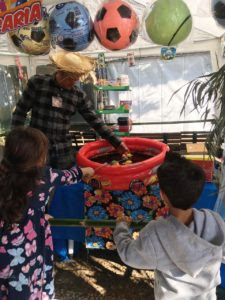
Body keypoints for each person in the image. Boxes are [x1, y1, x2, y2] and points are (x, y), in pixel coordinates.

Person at [113, 151, 225, 300]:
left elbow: (129, 255)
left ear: (162, 195)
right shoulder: (215, 220)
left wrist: (121, 226)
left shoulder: (156, 233)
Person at [0, 127, 94, 299]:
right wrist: (89, 170)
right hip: (28, 247)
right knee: (28, 282)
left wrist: (37, 216)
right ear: (38, 156)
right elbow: (72, 175)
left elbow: (16, 207)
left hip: (4, 248)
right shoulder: (45, 176)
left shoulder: (3, 175)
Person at [11, 51, 129, 169]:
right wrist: (16, 140)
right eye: (70, 79)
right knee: (38, 182)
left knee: (67, 182)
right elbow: (20, 111)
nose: (73, 83)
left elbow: (94, 120)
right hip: (38, 149)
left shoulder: (77, 95)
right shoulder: (37, 83)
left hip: (63, 151)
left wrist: (116, 142)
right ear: (60, 72)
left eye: (76, 79)